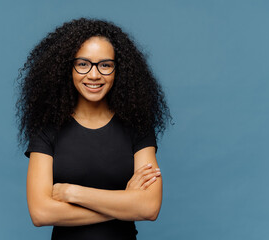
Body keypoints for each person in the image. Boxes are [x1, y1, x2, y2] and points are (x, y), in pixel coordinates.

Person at [16, 18, 171, 240]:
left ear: (119, 70)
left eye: (105, 65)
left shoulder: (137, 127)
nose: (94, 74)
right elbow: (41, 213)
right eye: (83, 64)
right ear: (67, 68)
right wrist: (124, 202)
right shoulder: (47, 129)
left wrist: (73, 193)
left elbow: (149, 208)